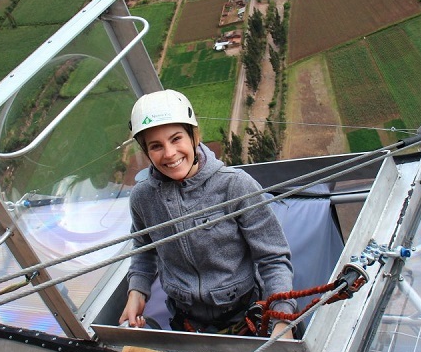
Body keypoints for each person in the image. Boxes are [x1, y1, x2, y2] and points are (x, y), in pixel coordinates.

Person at [119, 89, 296, 338]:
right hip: (185, 321)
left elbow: (273, 259)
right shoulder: (143, 197)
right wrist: (137, 291)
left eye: (176, 138)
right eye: (156, 146)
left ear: (194, 136)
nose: (169, 153)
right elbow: (144, 249)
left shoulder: (235, 186)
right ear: (146, 151)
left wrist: (281, 318)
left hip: (244, 315)